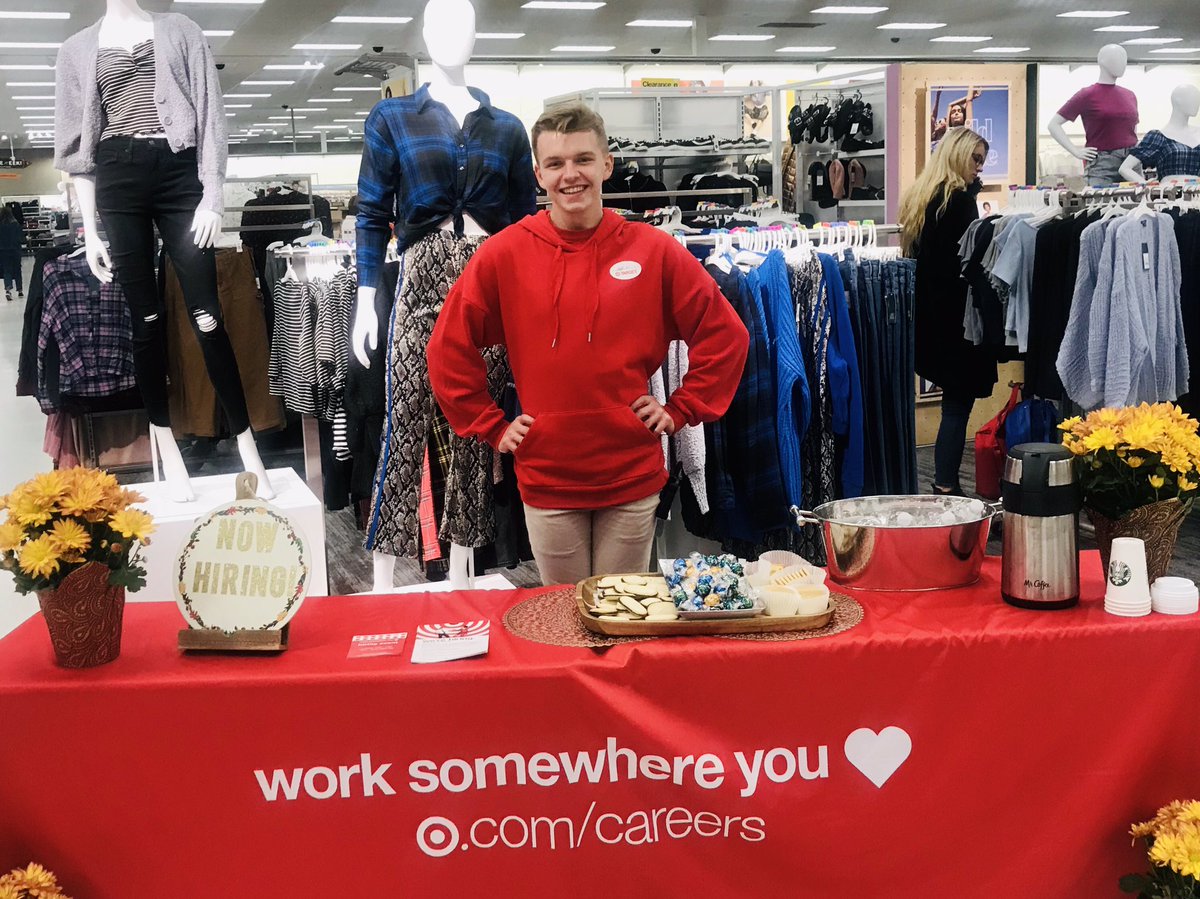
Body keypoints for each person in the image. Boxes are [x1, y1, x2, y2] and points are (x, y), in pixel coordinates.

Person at [428, 103, 749, 586]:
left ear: (607, 165)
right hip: (548, 477)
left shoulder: (654, 249)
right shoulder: (504, 254)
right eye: (555, 164)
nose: (570, 174)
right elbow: (447, 346)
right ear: (538, 174)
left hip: (631, 473)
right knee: (564, 618)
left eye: (582, 159)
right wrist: (490, 426)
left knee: (620, 617)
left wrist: (681, 408)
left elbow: (725, 333)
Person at [899, 127, 996, 496]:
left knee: (953, 406)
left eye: (981, 162)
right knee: (957, 406)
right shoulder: (958, 201)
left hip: (928, 316)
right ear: (958, 155)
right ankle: (946, 484)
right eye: (975, 159)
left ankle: (944, 482)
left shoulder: (923, 196)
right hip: (957, 319)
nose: (978, 169)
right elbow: (964, 265)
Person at [0, 206, 24, 300]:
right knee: (18, 269)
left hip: (3, 251)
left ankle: (8, 290)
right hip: (15, 250)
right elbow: (21, 238)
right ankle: (20, 290)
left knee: (7, 270)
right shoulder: (16, 224)